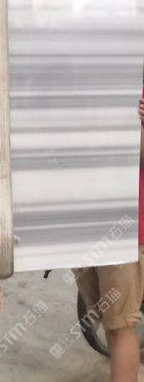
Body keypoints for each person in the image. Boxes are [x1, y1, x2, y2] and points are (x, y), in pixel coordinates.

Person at [74, 97, 144, 381]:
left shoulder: (132, 90)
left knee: (119, 325)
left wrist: (135, 125)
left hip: (124, 228)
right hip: (86, 221)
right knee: (105, 320)